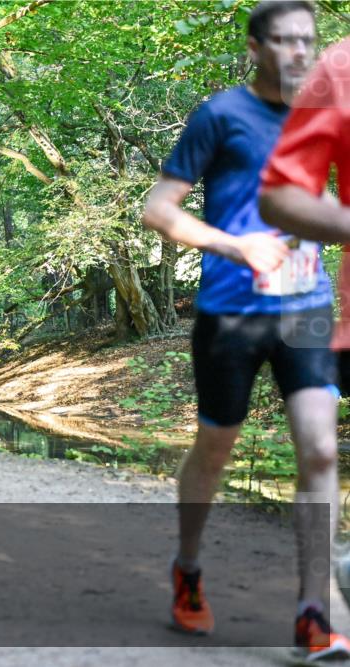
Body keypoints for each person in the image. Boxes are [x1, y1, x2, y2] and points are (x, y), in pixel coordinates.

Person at [142, 3, 347, 658]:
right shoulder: (220, 115)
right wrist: (236, 247)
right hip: (229, 310)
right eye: (284, 41)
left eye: (307, 42)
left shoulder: (326, 114)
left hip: (306, 305)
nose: (297, 53)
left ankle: (312, 611)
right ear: (256, 47)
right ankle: (189, 567)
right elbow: (158, 210)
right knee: (215, 447)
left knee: (319, 449)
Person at [259, 36, 350, 631]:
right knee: (316, 451)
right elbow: (283, 194)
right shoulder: (341, 66)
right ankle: (316, 606)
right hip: (292, 304)